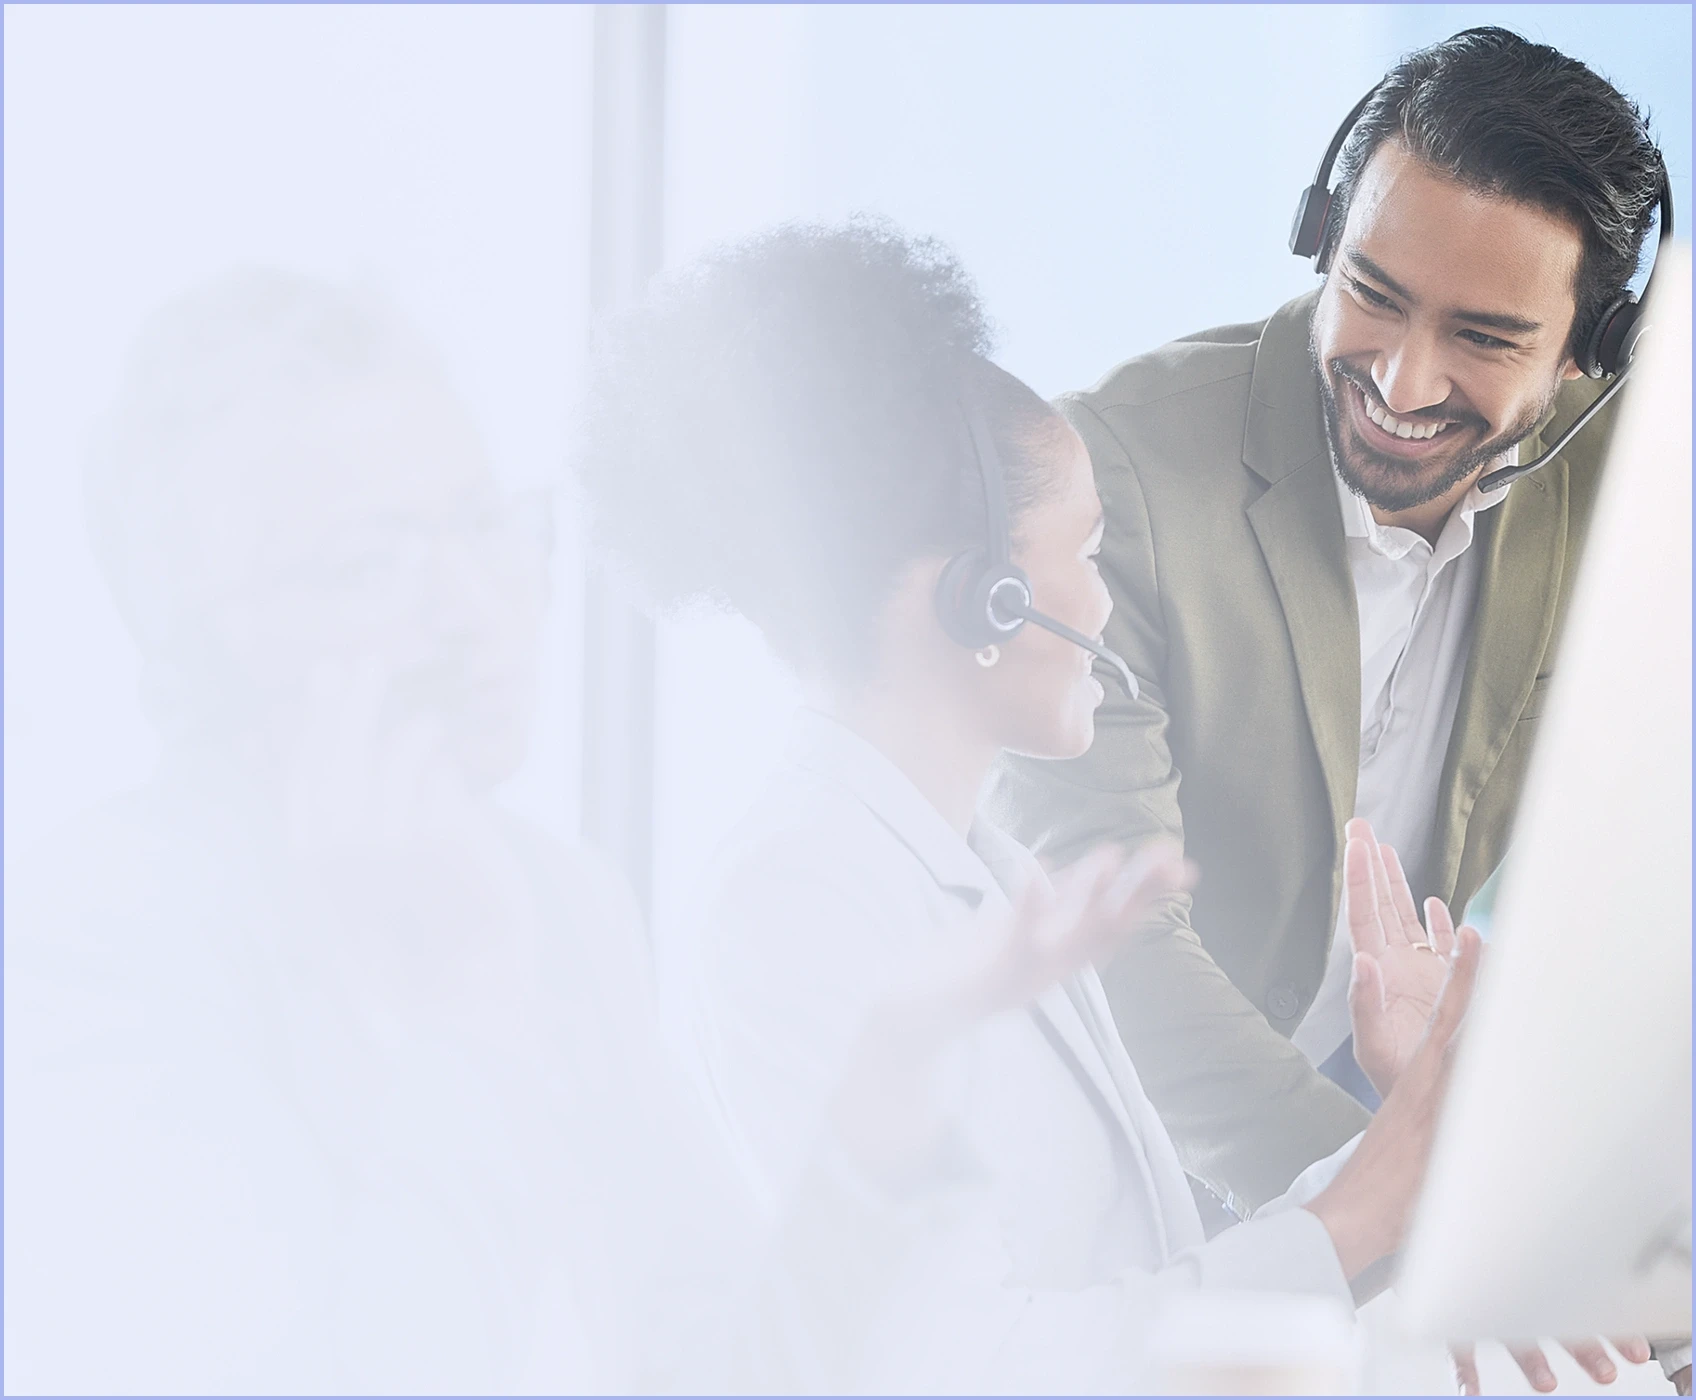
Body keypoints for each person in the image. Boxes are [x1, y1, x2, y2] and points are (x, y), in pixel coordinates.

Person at [3, 269, 1182, 1394]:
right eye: (367, 563)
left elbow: (743, 1369)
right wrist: (465, 1025)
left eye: (480, 524)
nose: (475, 605)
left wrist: (889, 1076)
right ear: (205, 652)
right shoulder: (95, 945)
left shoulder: (549, 895)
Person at [573, 216, 1492, 1392]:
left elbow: (1146, 1287)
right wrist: (1352, 1216)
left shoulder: (986, 866)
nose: (1104, 604)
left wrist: (1394, 1157)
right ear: (984, 596)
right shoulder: (794, 898)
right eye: (1088, 552)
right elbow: (966, 1363)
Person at [983, 29, 1686, 1393]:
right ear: (1324, 237)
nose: (1403, 381)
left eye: (1484, 339)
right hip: (1140, 1191)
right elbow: (1114, 943)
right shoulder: (1114, 479)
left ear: (1586, 356)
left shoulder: (1624, 477)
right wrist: (1404, 1213)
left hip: (1386, 1134)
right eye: (1373, 293)